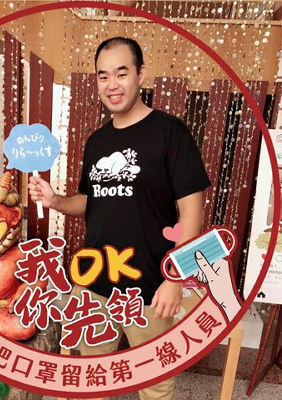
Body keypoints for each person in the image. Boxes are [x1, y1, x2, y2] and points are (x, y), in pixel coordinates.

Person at [29, 37, 211, 400]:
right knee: (95, 377)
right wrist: (55, 201)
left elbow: (193, 209)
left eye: (121, 73)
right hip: (95, 281)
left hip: (151, 287)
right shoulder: (97, 141)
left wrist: (176, 278)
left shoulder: (169, 132)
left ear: (141, 74)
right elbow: (90, 201)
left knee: (155, 383)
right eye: (103, 76)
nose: (112, 84)